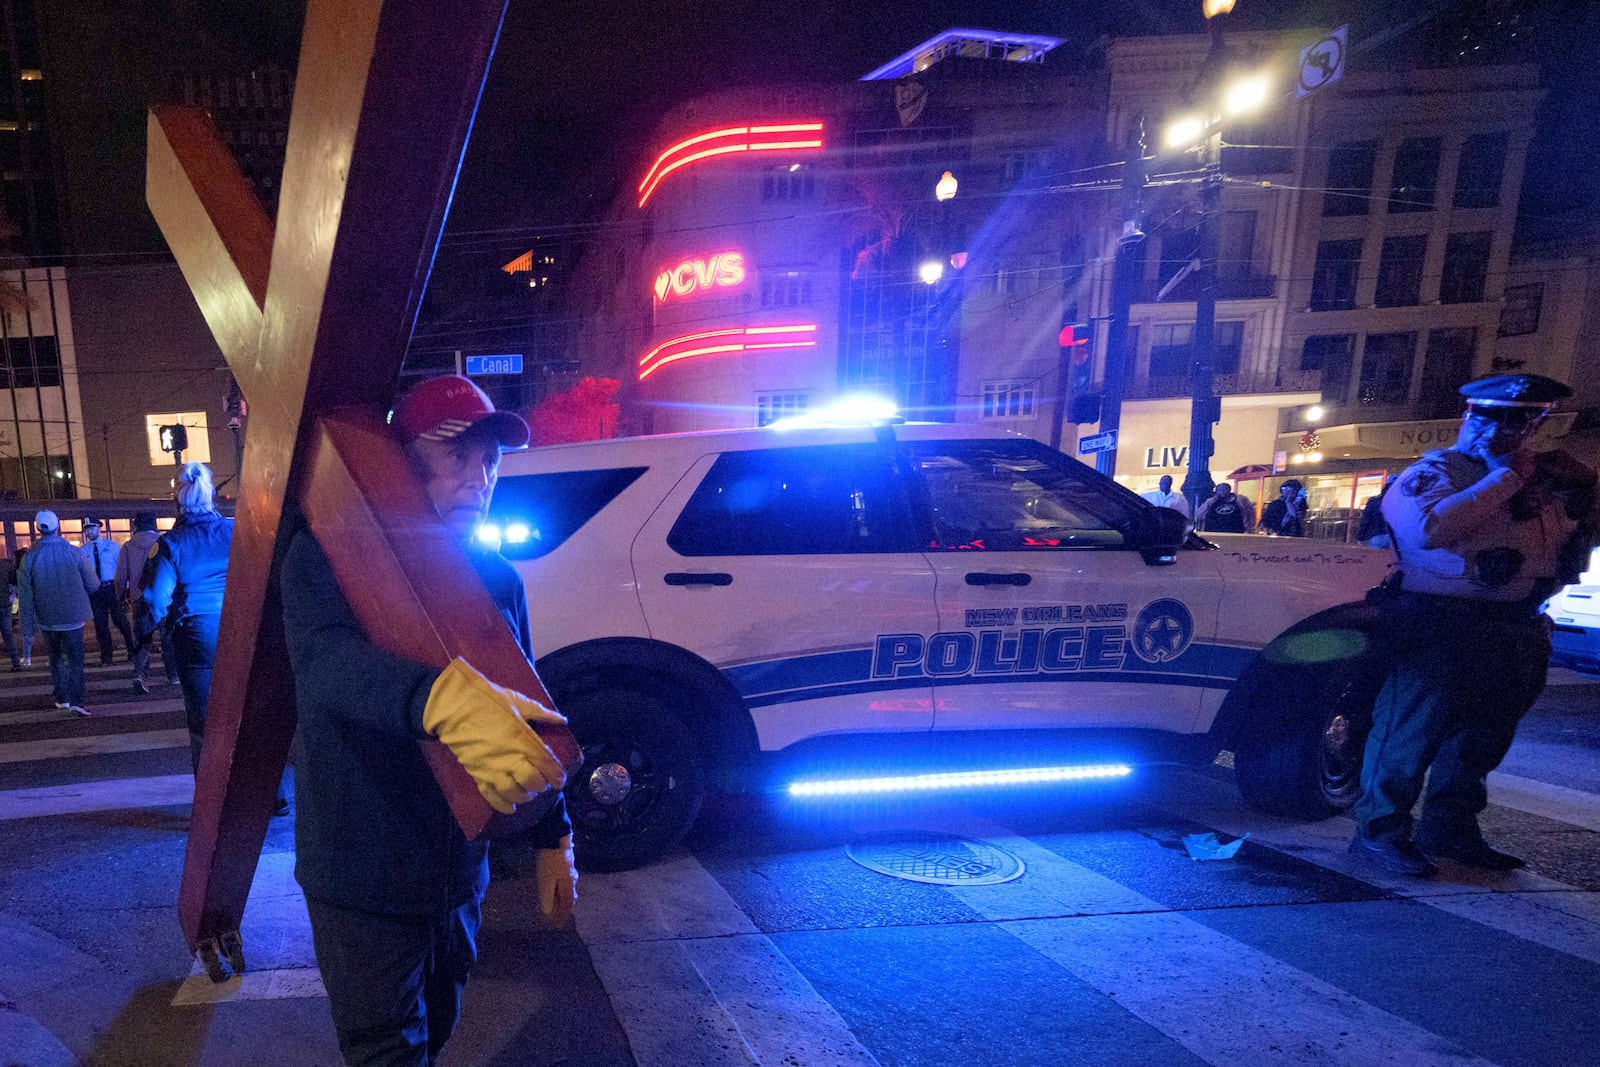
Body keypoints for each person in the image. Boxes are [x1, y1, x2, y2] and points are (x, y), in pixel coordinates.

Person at [280, 374, 577, 1065]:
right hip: (360, 877)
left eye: (490, 459)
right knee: (386, 1051)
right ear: (401, 461)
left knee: (438, 1028)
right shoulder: (327, 554)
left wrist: (552, 834)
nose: (480, 477)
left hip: (455, 874)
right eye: (456, 455)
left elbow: (528, 707)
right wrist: (436, 699)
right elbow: (326, 662)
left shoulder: (496, 577)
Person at [1349, 374, 1600, 877]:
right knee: (1407, 734)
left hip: (1514, 625)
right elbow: (1427, 529)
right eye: (1494, 416)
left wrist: (1584, 489)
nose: (1505, 430)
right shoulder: (1439, 471)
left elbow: (1570, 541)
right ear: (1469, 416)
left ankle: (1450, 830)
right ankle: (1379, 833)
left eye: (1523, 418)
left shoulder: (1548, 479)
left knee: (1481, 739)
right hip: (1440, 623)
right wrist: (1502, 479)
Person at [143, 463, 236, 775]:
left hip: (196, 639)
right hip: (240, 632)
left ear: (178, 501)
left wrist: (158, 628)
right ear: (212, 496)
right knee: (247, 717)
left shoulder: (171, 543)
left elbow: (157, 600)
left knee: (204, 725)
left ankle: (211, 804)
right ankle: (270, 795)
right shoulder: (237, 530)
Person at [17, 511, 96, 716]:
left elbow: (25, 598)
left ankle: (62, 698)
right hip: (73, 618)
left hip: (47, 619)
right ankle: (77, 700)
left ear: (38, 529)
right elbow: (93, 584)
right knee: (75, 660)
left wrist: (27, 630)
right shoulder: (74, 552)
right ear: (57, 526)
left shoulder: (29, 557)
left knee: (56, 659)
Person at [117, 510, 179, 694]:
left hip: (139, 598)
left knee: (143, 639)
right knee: (167, 637)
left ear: (136, 525)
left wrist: (122, 596)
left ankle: (139, 675)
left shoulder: (128, 547)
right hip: (165, 598)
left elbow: (120, 577)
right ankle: (173, 675)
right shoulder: (165, 542)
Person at [81, 517, 134, 665]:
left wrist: (126, 587)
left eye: (92, 527)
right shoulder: (83, 550)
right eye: (86, 529)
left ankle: (131, 649)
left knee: (121, 621)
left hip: (112, 587)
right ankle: (106, 656)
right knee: (100, 625)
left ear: (99, 528)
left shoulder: (112, 547)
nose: (89, 531)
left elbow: (122, 567)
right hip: (95, 590)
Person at [1357, 475, 1398, 549]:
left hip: (1376, 536)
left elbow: (1366, 520)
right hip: (1395, 538)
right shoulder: (1400, 503)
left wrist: (1361, 537)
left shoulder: (1374, 501)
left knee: (1375, 559)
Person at [0, 551, 20, 671]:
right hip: (4, 603)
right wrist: (12, 594)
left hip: (4, 602)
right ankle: (15, 661)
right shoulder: (6, 565)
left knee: (8, 633)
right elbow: (15, 582)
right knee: (8, 633)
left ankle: (16, 661)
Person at [14, 547, 30, 667]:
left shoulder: (18, 572)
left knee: (27, 634)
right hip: (37, 603)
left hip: (25, 605)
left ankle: (27, 658)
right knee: (46, 633)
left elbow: (17, 589)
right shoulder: (32, 570)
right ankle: (52, 658)